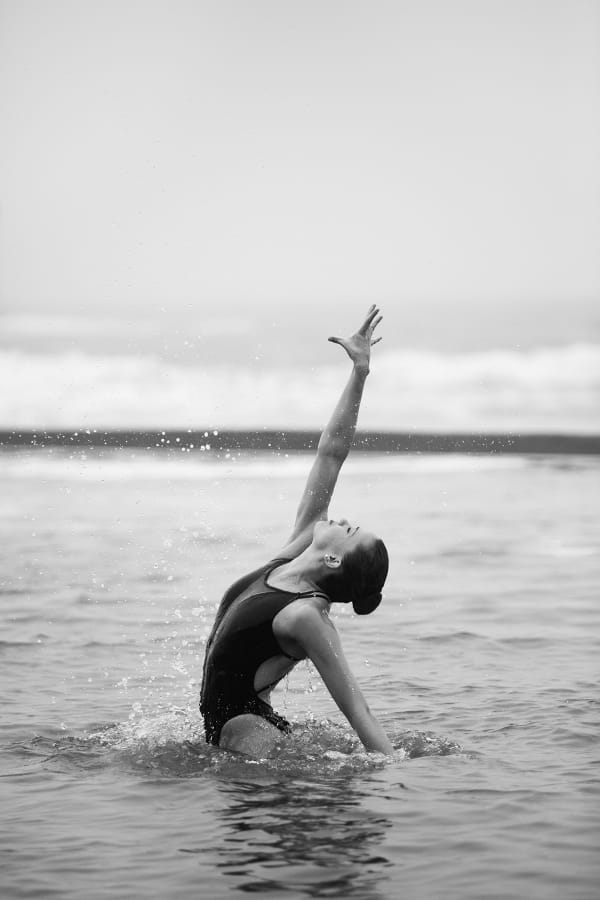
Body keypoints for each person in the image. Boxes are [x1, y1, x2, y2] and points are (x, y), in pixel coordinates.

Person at [200, 306, 394, 757]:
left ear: (333, 559)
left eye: (350, 531)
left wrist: (392, 769)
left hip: (246, 729)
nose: (343, 520)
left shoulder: (307, 617)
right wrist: (360, 373)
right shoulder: (295, 550)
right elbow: (331, 454)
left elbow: (355, 707)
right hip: (245, 722)